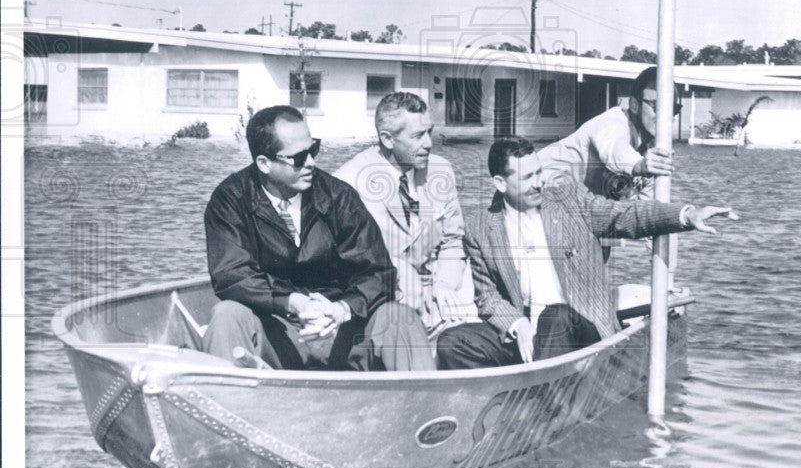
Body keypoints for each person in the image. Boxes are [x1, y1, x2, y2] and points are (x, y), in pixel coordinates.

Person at [436, 136, 736, 370]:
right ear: (500, 183)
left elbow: (628, 216)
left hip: (580, 331)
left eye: (539, 171)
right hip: (529, 337)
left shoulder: (568, 200)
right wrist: (517, 324)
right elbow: (487, 297)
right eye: (527, 177)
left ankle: (543, 408)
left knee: (556, 316)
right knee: (453, 342)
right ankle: (507, 403)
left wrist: (685, 215)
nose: (539, 182)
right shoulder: (479, 228)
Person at [202, 105, 435, 371]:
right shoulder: (231, 199)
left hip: (344, 332)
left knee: (399, 317)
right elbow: (232, 274)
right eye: (299, 157)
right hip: (278, 331)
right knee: (227, 315)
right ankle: (226, 400)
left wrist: (342, 309)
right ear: (264, 164)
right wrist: (293, 302)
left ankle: (426, 407)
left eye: (313, 150)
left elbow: (380, 273)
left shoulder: (339, 197)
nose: (311, 163)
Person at [334, 92, 474, 334]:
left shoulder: (441, 171)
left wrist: (444, 284)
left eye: (429, 132)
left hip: (440, 293)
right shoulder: (348, 184)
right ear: (387, 139)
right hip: (383, 299)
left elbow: (453, 241)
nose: (429, 143)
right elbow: (343, 263)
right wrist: (397, 270)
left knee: (468, 341)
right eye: (418, 136)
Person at [537, 66, 679, 200]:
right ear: (635, 105)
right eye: (658, 106)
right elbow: (614, 147)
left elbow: (644, 212)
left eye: (673, 108)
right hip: (532, 187)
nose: (666, 115)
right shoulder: (613, 122)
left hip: (570, 203)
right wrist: (639, 165)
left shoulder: (650, 155)